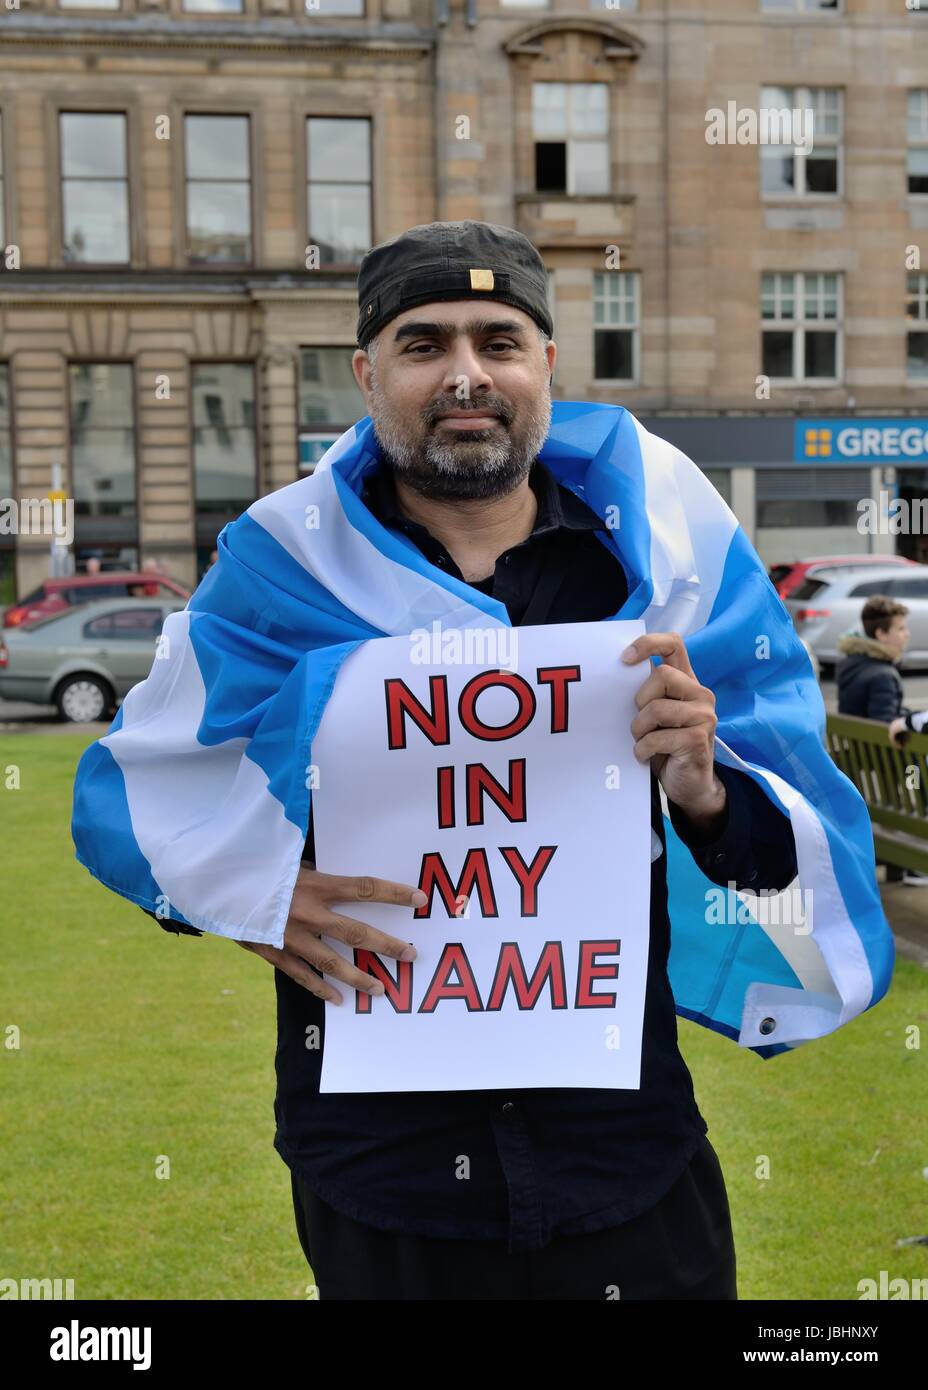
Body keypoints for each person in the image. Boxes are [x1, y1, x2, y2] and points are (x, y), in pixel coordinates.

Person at [141, 222, 798, 1300]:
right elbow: (149, 797)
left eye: (499, 340)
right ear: (366, 374)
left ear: (546, 364)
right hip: (385, 1178)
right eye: (422, 343)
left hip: (626, 1159)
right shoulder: (279, 576)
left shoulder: (660, 568)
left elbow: (772, 860)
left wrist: (704, 787)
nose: (465, 374)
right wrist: (256, 895)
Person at [836, 594, 928, 886]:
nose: (907, 633)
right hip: (891, 772)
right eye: (900, 628)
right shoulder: (883, 675)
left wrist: (904, 715)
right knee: (920, 766)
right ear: (881, 634)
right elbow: (883, 725)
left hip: (859, 759)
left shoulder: (852, 664)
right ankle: (917, 862)